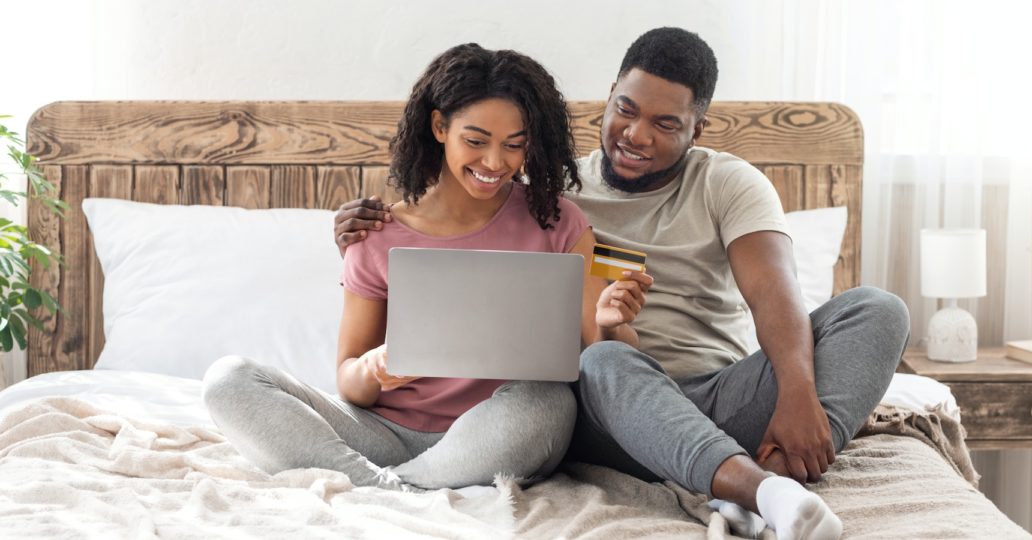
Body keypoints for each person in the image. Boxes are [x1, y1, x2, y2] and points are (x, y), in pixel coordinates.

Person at [336, 28, 908, 539]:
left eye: (666, 124)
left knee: (879, 309)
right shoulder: (552, 193)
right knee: (604, 359)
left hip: (717, 394)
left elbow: (773, 296)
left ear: (697, 128)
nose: (636, 135)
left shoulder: (729, 182)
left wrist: (798, 397)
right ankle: (756, 489)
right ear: (609, 96)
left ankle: (772, 479)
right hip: (605, 413)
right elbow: (467, 216)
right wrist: (357, 226)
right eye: (625, 109)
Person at [204, 43, 651, 491]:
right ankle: (396, 488)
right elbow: (349, 383)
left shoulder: (559, 222)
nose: (496, 163)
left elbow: (604, 352)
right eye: (475, 141)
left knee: (550, 401)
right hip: (383, 435)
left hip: (497, 430)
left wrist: (613, 324)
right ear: (439, 126)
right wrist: (377, 367)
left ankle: (376, 488)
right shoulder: (376, 235)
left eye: (514, 145)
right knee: (229, 380)